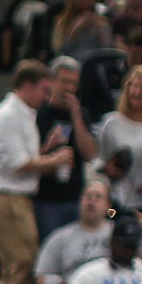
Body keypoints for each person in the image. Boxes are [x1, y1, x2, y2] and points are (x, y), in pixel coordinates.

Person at [0, 60, 76, 284]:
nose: (47, 97)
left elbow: (24, 157)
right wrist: (54, 160)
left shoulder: (24, 115)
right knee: (22, 267)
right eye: (44, 90)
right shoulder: (9, 116)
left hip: (17, 198)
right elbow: (19, 164)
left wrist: (45, 150)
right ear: (27, 86)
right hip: (8, 198)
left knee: (15, 269)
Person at [30, 56, 99, 240]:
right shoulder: (39, 113)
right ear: (52, 82)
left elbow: (90, 154)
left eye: (74, 83)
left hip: (75, 198)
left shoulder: (81, 114)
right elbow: (29, 159)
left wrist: (76, 116)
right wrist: (48, 147)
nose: (69, 88)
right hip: (46, 200)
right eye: (65, 82)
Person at [97, 65, 142, 213]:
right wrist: (108, 169)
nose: (137, 92)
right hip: (117, 202)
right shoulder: (112, 122)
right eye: (134, 86)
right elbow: (100, 160)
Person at [35, 179, 114, 284]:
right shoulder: (60, 237)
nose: (91, 201)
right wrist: (64, 283)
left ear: (108, 204)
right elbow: (39, 282)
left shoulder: (118, 234)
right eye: (87, 196)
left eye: (98, 197)